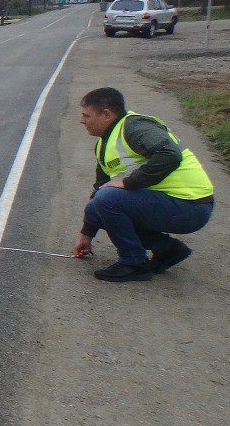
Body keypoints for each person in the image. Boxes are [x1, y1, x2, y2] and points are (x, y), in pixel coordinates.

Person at [72, 86, 215, 282]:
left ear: (106, 114)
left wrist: (129, 182)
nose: (82, 121)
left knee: (107, 199)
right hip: (171, 203)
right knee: (99, 202)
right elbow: (100, 188)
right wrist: (86, 234)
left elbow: (169, 154)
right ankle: (168, 250)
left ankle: (134, 263)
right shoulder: (104, 145)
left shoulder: (135, 127)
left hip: (191, 206)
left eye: (87, 115)